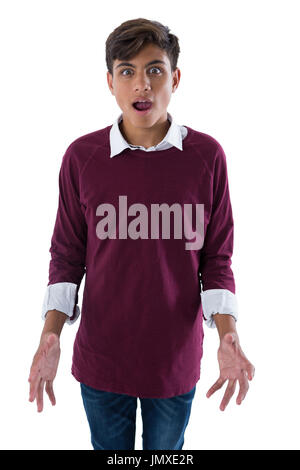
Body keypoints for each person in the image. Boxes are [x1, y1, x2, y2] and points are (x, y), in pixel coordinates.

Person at [28, 18, 255, 450]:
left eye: (155, 69)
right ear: (110, 81)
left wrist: (229, 335)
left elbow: (216, 260)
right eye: (127, 71)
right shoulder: (82, 157)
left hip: (174, 362)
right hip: (102, 361)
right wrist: (50, 335)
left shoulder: (206, 157)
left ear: (176, 78)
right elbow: (66, 256)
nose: (142, 85)